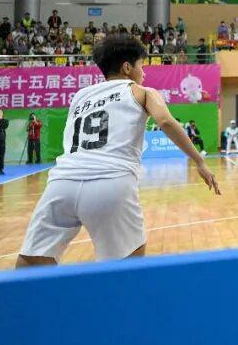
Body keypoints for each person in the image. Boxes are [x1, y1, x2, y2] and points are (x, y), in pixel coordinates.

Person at [16, 35, 219, 266]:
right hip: (110, 181)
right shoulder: (142, 92)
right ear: (127, 67)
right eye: (141, 66)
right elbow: (166, 121)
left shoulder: (80, 96)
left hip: (61, 183)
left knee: (31, 261)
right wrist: (199, 161)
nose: (144, 73)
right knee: (125, 267)